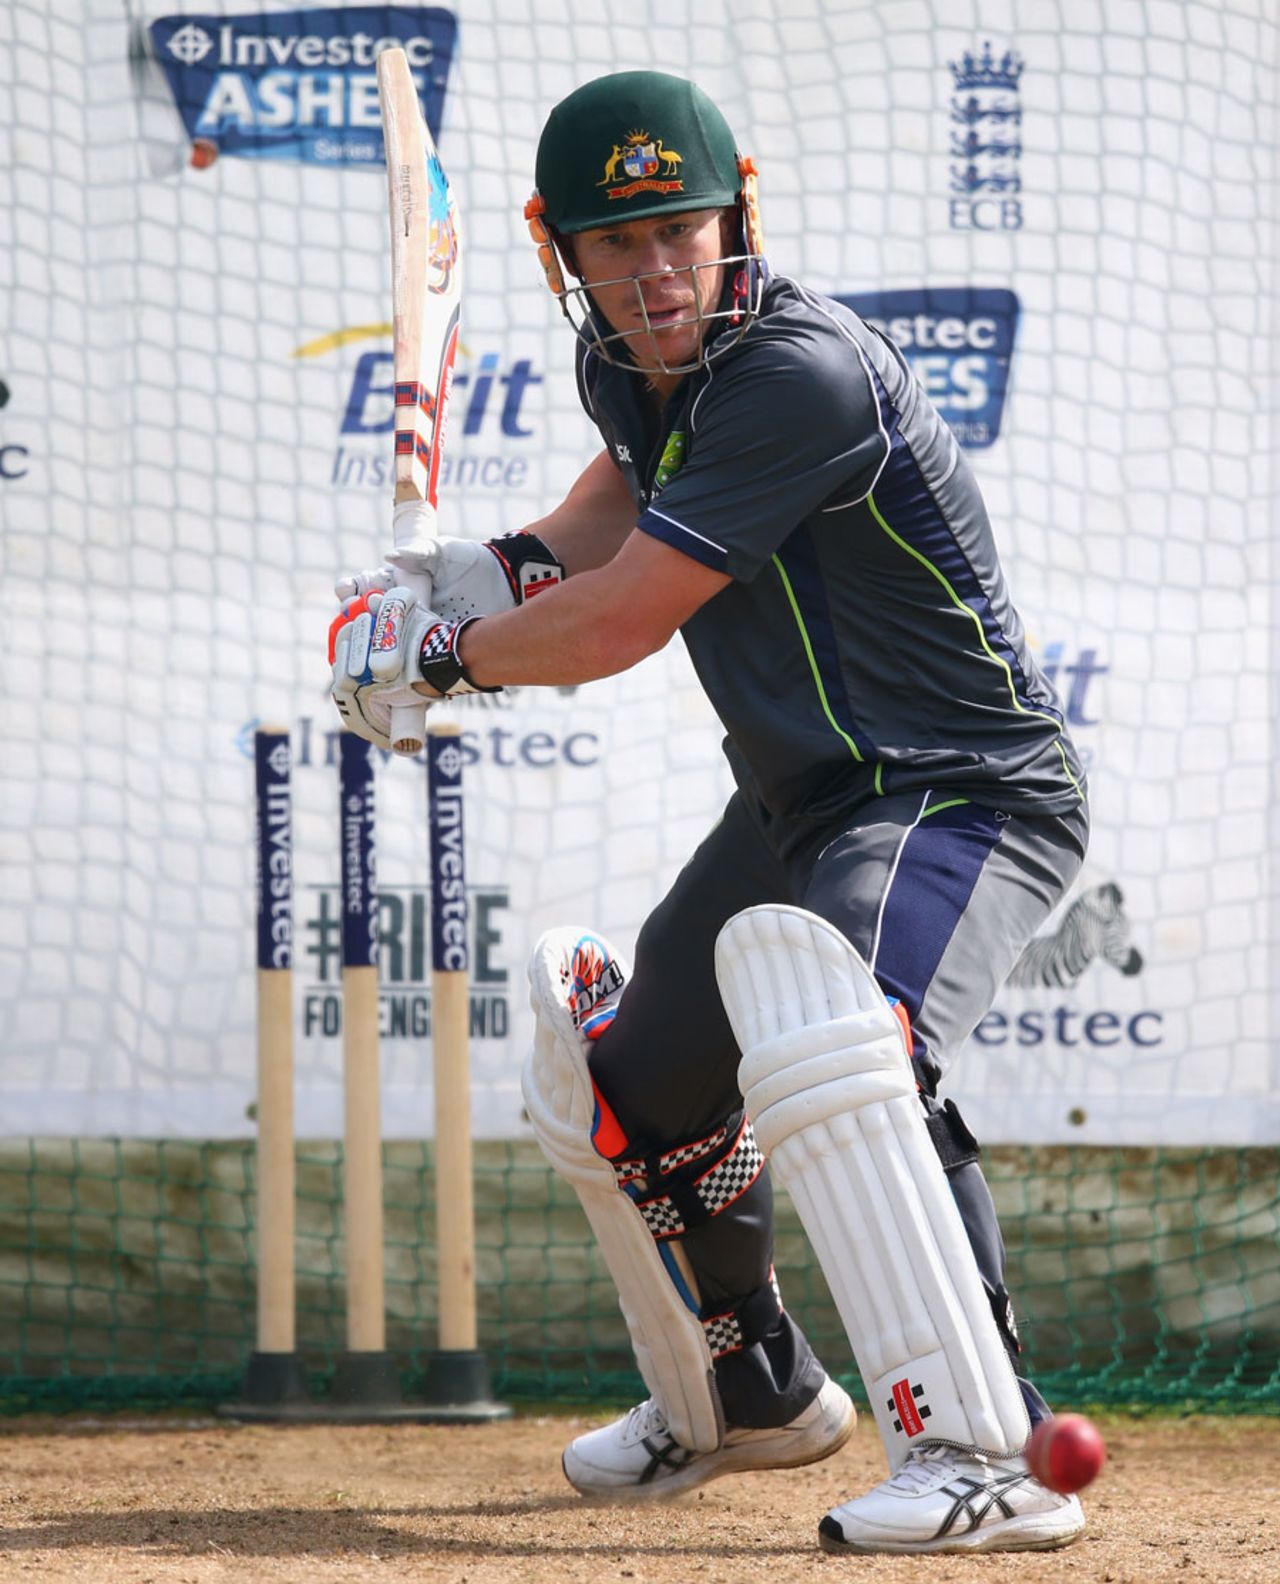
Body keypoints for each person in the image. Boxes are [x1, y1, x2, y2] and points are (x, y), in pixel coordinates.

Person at [330, 70, 1090, 1555]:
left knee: (845, 1038)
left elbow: (620, 618)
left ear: (739, 209)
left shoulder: (795, 369)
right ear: (560, 251)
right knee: (638, 1083)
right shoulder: (636, 369)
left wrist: (436, 660)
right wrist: (452, 586)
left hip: (957, 789)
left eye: (683, 226)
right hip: (804, 797)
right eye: (617, 243)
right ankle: (750, 1389)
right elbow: (600, 521)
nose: (658, 269)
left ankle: (986, 1450)